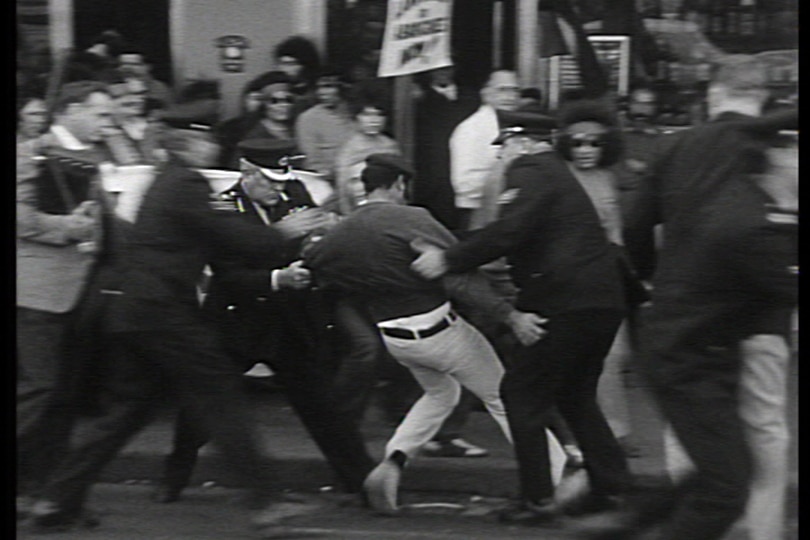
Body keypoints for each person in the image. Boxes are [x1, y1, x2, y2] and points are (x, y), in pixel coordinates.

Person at [24, 113, 335, 536]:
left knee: (125, 413)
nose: (214, 148)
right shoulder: (187, 184)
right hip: (162, 313)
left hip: (134, 312)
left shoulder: (165, 179)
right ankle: (265, 501)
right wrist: (284, 230)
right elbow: (234, 238)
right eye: (208, 140)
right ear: (194, 143)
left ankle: (56, 499)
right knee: (220, 394)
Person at [304, 153, 567, 515]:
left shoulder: (342, 232)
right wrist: (510, 315)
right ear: (399, 184)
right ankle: (559, 475)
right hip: (440, 329)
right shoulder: (411, 218)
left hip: (394, 337)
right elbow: (460, 273)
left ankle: (393, 461)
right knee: (503, 397)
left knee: (441, 393)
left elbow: (314, 264)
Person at [606, 56, 799, 540]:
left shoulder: (677, 147)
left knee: (694, 430)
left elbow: (633, 224)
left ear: (713, 95)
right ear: (762, 97)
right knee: (764, 427)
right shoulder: (776, 146)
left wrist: (653, 279)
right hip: (762, 311)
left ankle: (699, 521)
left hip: (684, 313)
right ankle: (760, 528)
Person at [411, 110, 632, 525]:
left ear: (522, 142)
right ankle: (610, 487)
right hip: (599, 302)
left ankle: (538, 500)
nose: (501, 158)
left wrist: (448, 258)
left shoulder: (531, 169)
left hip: (565, 303)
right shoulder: (556, 174)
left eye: (504, 148)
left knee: (521, 394)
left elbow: (510, 231)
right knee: (575, 394)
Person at [152, 138, 373, 503]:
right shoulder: (224, 207)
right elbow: (227, 275)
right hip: (236, 321)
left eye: (283, 181)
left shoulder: (295, 192)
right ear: (248, 173)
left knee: (322, 407)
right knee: (203, 407)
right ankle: (174, 476)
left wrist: (317, 250)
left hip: (288, 323)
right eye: (270, 181)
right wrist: (278, 278)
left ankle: (361, 482)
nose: (278, 189)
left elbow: (317, 241)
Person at [17, 81, 115, 520]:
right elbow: (21, 219)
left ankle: (49, 494)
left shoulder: (96, 160)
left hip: (82, 291)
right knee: (40, 391)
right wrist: (71, 228)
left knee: (64, 399)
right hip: (37, 291)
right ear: (71, 110)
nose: (106, 122)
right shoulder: (30, 153)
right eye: (98, 114)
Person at [554, 98, 646, 458]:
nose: (586, 150)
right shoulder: (555, 177)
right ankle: (573, 435)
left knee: (614, 355)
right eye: (577, 142)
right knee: (569, 359)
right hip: (566, 282)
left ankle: (617, 431)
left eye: (595, 142)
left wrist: (629, 280)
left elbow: (617, 235)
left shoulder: (607, 178)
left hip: (606, 279)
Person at [448, 70, 520, 231]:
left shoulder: (515, 125)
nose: (510, 96)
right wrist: (509, 186)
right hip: (478, 215)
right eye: (502, 90)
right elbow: (464, 184)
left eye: (514, 90)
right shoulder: (471, 129)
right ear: (486, 94)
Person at [412, 65, 479, 232]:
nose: (442, 72)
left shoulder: (470, 97)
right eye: (437, 68)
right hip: (433, 173)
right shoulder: (417, 101)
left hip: (464, 171)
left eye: (447, 67)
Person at [334, 93, 402, 215]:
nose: (374, 120)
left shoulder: (390, 146)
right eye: (367, 114)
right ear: (357, 117)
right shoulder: (349, 149)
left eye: (379, 115)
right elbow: (343, 189)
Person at [294, 68, 355, 182]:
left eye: (328, 86)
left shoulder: (357, 114)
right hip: (326, 182)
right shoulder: (308, 119)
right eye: (319, 87)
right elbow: (311, 162)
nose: (321, 92)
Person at [241, 72, 297, 143]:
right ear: (264, 104)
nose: (283, 105)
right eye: (274, 101)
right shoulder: (255, 135)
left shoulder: (299, 127)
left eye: (288, 100)